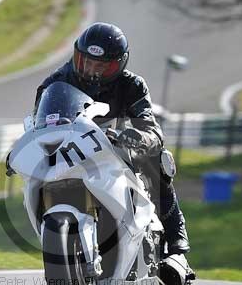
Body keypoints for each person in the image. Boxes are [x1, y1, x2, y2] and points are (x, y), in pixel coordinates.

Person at [33, 22, 190, 255]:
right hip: (69, 151)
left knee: (158, 159)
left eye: (101, 66)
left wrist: (138, 137)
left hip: (114, 148)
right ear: (78, 57)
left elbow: (152, 130)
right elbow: (38, 124)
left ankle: (175, 231)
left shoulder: (132, 85)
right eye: (86, 62)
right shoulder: (55, 82)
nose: (91, 70)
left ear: (117, 65)